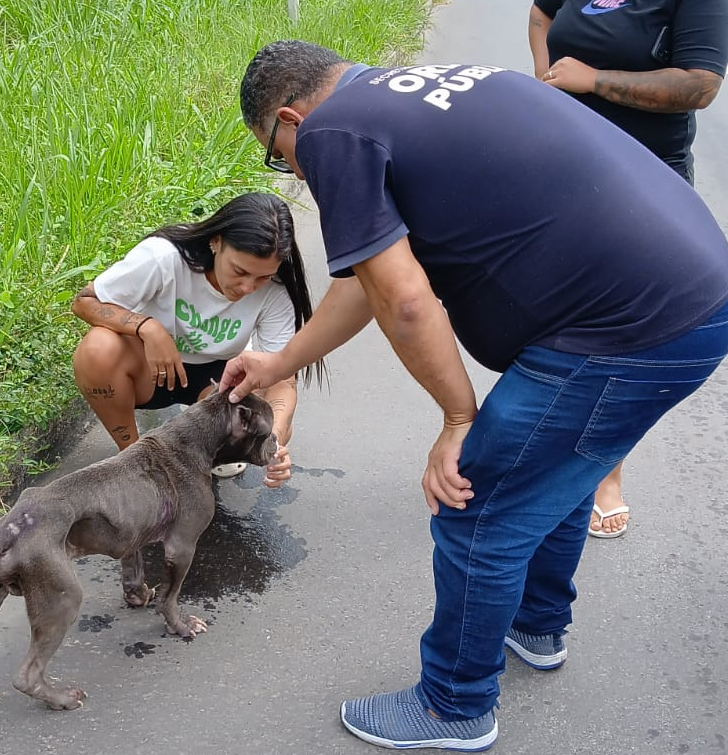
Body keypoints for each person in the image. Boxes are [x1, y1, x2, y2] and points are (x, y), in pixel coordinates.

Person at [219, 40, 728, 751]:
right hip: (694, 294)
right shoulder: (423, 90)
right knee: (559, 466)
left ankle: (454, 704)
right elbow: (364, 282)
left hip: (629, 328)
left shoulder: (334, 133)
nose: (292, 169)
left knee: (475, 502)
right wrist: (278, 361)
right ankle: (537, 621)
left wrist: (459, 418)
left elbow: (405, 303)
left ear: (290, 117)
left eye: (278, 154)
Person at [528, 0, 728, 537]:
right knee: (548, 320)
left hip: (645, 180)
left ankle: (602, 471)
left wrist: (591, 80)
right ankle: (531, 452)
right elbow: (541, 14)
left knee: (620, 332)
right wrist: (546, 81)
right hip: (565, 165)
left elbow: (700, 86)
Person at [71, 191, 323, 486]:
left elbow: (282, 381)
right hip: (151, 368)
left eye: (262, 277)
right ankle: (134, 459)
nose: (247, 287)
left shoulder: (277, 293)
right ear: (216, 242)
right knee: (97, 350)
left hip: (221, 379)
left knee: (263, 393)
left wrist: (275, 441)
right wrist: (147, 328)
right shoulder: (163, 257)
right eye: (239, 271)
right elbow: (84, 301)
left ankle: (209, 450)